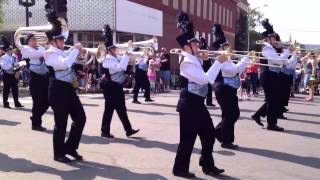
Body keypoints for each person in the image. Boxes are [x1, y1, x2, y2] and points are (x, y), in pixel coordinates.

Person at [173, 12, 225, 178]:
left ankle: (207, 164)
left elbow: (201, 70)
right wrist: (218, 61)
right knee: (187, 140)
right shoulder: (187, 61)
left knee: (209, 135)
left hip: (198, 103)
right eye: (194, 45)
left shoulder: (193, 58)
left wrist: (205, 59)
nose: (198, 46)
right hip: (189, 104)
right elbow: (205, 79)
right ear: (187, 47)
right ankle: (179, 169)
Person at [44, 7, 86, 163]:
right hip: (57, 90)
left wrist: (80, 54)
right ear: (53, 41)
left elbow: (74, 63)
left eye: (63, 39)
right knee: (61, 123)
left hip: (69, 89)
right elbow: (65, 64)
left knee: (81, 118)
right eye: (60, 40)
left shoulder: (63, 51)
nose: (63, 41)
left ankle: (70, 147)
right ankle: (58, 153)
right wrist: (75, 50)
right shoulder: (49, 53)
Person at [212, 24, 250, 149]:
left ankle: (220, 133)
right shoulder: (221, 58)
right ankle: (225, 140)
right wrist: (245, 59)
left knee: (230, 114)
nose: (229, 48)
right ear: (220, 48)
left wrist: (244, 60)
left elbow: (237, 71)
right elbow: (233, 70)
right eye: (226, 46)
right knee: (231, 114)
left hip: (229, 88)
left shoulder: (227, 58)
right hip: (223, 88)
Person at [100, 24, 139, 139]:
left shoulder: (115, 57)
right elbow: (120, 67)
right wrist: (126, 56)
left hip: (115, 87)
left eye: (114, 48)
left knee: (115, 110)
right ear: (108, 50)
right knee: (115, 110)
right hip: (111, 87)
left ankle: (120, 130)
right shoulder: (106, 59)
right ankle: (124, 130)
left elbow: (125, 63)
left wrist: (132, 54)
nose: (115, 50)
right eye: (113, 48)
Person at [251, 19, 291, 131]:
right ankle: (271, 123)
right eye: (273, 38)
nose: (275, 40)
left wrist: (282, 48)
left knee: (273, 99)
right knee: (274, 99)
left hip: (271, 75)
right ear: (267, 39)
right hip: (268, 75)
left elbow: (282, 61)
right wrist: (287, 51)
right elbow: (278, 61)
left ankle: (259, 115)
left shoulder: (271, 48)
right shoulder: (267, 48)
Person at [21, 34, 50, 131]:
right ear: (28, 42)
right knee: (37, 101)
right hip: (34, 77)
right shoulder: (25, 49)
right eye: (32, 39)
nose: (35, 41)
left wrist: (45, 49)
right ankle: (36, 124)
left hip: (43, 76)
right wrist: (45, 50)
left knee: (47, 100)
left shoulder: (40, 48)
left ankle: (35, 117)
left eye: (35, 39)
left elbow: (46, 55)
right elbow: (36, 54)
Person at [0, 35, 23, 109]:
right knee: (6, 89)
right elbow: (5, 66)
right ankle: (5, 103)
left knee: (15, 88)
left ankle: (16, 102)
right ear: (6, 50)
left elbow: (17, 64)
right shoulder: (3, 57)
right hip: (7, 74)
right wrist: (13, 64)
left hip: (14, 74)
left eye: (11, 49)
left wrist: (18, 71)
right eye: (9, 49)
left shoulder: (14, 56)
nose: (11, 50)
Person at [200, 37, 216, 107]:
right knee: (203, 87)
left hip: (208, 70)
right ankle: (203, 102)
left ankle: (209, 102)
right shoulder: (200, 53)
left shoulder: (207, 53)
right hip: (203, 71)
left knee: (208, 87)